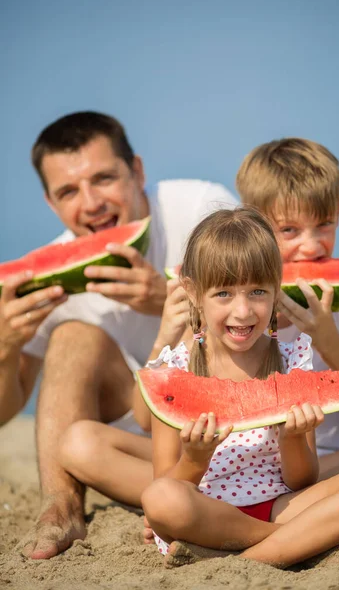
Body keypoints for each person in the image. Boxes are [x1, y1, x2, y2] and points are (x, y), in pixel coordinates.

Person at [0, 111, 237, 559]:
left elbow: (257, 314)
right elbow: (6, 408)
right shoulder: (48, 276)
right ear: (51, 203)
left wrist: (162, 300)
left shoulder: (202, 209)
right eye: (68, 191)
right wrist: (5, 346)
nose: (90, 203)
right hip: (134, 445)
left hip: (218, 424)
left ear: (138, 171)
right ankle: (61, 506)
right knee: (73, 334)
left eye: (103, 178)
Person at [141, 207, 339, 568]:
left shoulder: (293, 359)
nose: (244, 311)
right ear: (193, 293)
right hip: (207, 513)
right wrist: (195, 459)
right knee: (161, 500)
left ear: (277, 290)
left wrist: (293, 438)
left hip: (282, 506)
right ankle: (291, 545)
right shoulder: (172, 370)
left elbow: (302, 480)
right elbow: (165, 482)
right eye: (224, 294)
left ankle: (251, 557)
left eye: (258, 291)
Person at [235, 138, 339, 477]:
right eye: (289, 230)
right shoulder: (228, 301)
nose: (311, 247)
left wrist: (329, 342)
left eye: (324, 223)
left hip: (323, 466)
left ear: (338, 210)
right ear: (253, 222)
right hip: (235, 467)